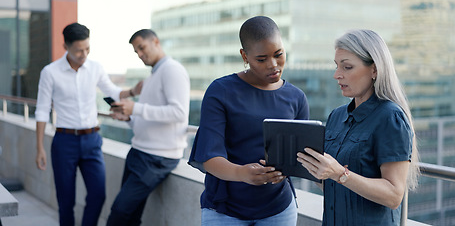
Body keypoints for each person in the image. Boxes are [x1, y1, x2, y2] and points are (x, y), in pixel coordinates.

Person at [188, 16, 309, 225]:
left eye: (279, 54)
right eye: (261, 59)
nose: (273, 65)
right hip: (225, 209)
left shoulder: (297, 97)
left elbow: (299, 156)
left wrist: (286, 169)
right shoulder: (220, 91)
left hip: (279, 209)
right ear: (244, 55)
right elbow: (208, 156)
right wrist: (241, 173)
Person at [297, 29, 419, 226]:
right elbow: (332, 184)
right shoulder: (336, 116)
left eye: (347, 67)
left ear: (374, 70)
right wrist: (307, 166)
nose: (337, 75)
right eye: (337, 66)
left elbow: (394, 195)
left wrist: (340, 174)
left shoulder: (390, 117)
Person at [35, 22, 141, 226]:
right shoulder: (50, 72)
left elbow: (112, 91)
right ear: (66, 46)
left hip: (92, 140)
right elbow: (41, 110)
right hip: (64, 141)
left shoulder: (95, 68)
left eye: (87, 49)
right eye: (78, 50)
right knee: (65, 201)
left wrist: (133, 91)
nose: (83, 54)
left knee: (98, 195)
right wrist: (39, 147)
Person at [105, 29, 190, 226]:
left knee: (119, 213)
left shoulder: (172, 70)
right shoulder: (152, 76)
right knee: (130, 215)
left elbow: (179, 113)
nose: (140, 55)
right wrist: (127, 117)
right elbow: (145, 118)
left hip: (157, 158)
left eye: (142, 48)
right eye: (136, 52)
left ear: (156, 42)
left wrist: (136, 107)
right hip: (140, 152)